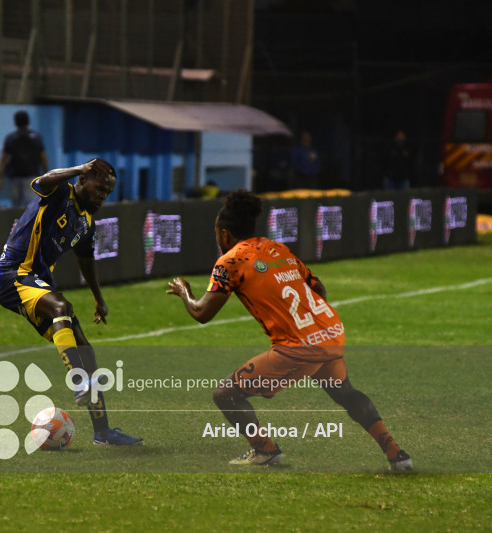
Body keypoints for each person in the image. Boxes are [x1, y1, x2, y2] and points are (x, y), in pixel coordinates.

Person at [166, 190, 412, 471]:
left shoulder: (230, 262)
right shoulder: (276, 249)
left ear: (224, 234)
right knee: (346, 392)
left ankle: (265, 451)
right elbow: (318, 288)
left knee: (226, 394)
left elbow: (202, 313)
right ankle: (397, 454)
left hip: (298, 347)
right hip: (330, 333)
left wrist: (184, 291)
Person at [0, 158, 142, 446]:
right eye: (99, 188)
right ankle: (78, 382)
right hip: (13, 274)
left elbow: (86, 260)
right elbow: (42, 180)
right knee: (61, 307)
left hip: (38, 283)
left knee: (86, 351)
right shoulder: (60, 193)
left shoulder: (86, 222)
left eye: (108, 193)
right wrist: (77, 169)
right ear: (83, 180)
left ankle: (103, 432)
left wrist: (99, 298)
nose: (102, 196)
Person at [0, 110, 48, 207]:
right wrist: (46, 172)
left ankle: (18, 222)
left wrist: (0, 177)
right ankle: (29, 222)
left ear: (15, 122)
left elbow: (4, 158)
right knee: (30, 205)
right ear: (28, 121)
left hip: (15, 177)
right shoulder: (36, 137)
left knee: (16, 205)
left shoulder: (10, 138)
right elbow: (43, 156)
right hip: (31, 176)